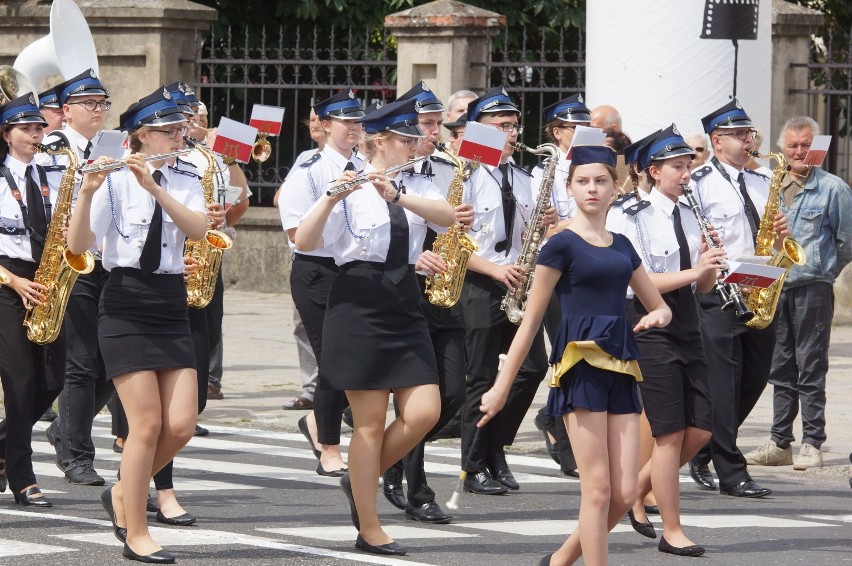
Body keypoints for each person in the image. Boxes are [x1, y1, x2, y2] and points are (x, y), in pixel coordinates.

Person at [479, 144, 671, 566]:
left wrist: (658, 315)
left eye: (601, 181)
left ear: (615, 188)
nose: (592, 189)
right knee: (598, 490)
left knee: (623, 495)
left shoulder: (622, 245)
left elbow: (658, 303)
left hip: (622, 368)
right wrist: (500, 388)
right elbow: (529, 324)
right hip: (579, 368)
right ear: (570, 187)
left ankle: (560, 560)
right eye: (582, 181)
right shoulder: (560, 246)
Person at [296, 97, 454, 556]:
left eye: (415, 138)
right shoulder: (342, 180)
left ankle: (359, 480)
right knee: (368, 423)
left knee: (425, 410)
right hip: (359, 300)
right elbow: (305, 242)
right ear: (381, 141)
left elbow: (451, 220)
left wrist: (397, 195)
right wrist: (332, 197)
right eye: (407, 139)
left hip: (403, 299)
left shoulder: (410, 183)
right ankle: (370, 525)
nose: (417, 144)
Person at [67, 86, 207, 563]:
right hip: (124, 299)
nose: (179, 138)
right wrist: (85, 194)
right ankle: (136, 531)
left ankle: (124, 493)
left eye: (179, 130)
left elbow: (199, 229)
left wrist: (154, 187)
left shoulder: (184, 176)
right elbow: (80, 243)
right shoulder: (109, 179)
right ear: (142, 136)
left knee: (183, 423)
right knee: (145, 424)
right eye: (169, 132)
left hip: (169, 300)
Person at [608, 125, 717, 556]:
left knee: (702, 429)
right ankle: (672, 530)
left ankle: (635, 488)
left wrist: (709, 265)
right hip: (649, 323)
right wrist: (695, 271)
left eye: (688, 165)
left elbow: (703, 288)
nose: (686, 173)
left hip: (688, 321)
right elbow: (639, 283)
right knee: (670, 433)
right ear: (654, 171)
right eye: (677, 166)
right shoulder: (630, 216)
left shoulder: (691, 214)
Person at [687, 99, 791, 498]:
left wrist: (781, 234)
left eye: (748, 133)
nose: (748, 140)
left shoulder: (765, 179)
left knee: (756, 376)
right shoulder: (699, 183)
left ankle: (708, 445)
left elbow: (772, 237)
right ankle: (733, 472)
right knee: (724, 382)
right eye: (738, 134)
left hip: (760, 287)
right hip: (721, 292)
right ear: (717, 141)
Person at [381, 82, 472, 525]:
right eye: (428, 124)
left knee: (453, 390)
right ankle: (418, 492)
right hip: (402, 287)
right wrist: (413, 255)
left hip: (441, 286)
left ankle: (391, 457)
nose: (437, 132)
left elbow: (447, 219)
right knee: (417, 395)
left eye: (438, 123)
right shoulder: (384, 166)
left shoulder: (444, 167)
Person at [460, 87, 556, 495]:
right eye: (501, 126)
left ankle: (497, 447)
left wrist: (547, 221)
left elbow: (529, 235)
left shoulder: (523, 176)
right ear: (478, 129)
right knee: (480, 376)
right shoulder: (462, 174)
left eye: (514, 125)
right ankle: (473, 462)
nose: (512, 133)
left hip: (517, 281)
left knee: (532, 367)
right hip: (479, 281)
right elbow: (452, 241)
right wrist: (495, 270)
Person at [744, 116, 852, 470]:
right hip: (775, 288)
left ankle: (812, 442)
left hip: (812, 288)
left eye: (806, 144)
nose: (800, 151)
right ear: (782, 149)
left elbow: (847, 241)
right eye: (792, 145)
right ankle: (779, 443)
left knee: (811, 367)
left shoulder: (834, 188)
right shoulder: (767, 186)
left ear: (815, 145)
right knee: (779, 368)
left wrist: (824, 272)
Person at [280, 89, 364, 477]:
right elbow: (297, 230)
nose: (354, 128)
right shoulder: (309, 168)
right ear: (326, 125)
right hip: (317, 269)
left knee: (353, 359)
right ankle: (328, 445)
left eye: (357, 121)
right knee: (332, 359)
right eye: (346, 121)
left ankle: (317, 423)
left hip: (356, 270)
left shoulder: (365, 165)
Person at [41, 69, 115, 486]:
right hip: (71, 265)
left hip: (106, 263)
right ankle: (77, 457)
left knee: (108, 365)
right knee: (81, 364)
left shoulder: (108, 148)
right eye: (90, 104)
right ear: (66, 111)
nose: (99, 110)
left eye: (103, 103)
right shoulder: (54, 149)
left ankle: (63, 429)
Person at [0, 93, 66, 508]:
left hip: (48, 280)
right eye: (26, 129)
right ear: (7, 135)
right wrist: (13, 282)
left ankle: (3, 446)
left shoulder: (53, 174)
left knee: (53, 381)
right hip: (7, 282)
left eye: (39, 127)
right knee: (20, 381)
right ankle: (23, 477)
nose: (36, 135)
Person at [529, 94, 593, 479]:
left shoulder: (599, 165)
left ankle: (551, 416)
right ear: (557, 132)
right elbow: (549, 227)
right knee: (565, 355)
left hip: (594, 269)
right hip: (562, 270)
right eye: (575, 128)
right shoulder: (544, 174)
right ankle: (563, 435)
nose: (584, 135)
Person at [278, 107, 326, 411]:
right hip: (308, 253)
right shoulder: (305, 160)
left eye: (319, 119)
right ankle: (312, 389)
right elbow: (280, 197)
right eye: (310, 119)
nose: (314, 124)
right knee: (305, 326)